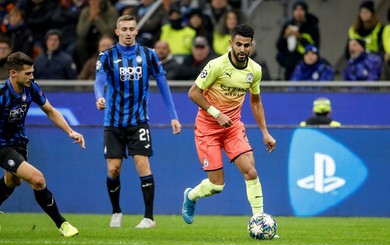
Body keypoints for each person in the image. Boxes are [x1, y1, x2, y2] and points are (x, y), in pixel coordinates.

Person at [181, 24, 276, 226]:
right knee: (217, 185)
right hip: (208, 128)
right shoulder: (217, 65)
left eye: (246, 45)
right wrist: (216, 113)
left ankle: (259, 221)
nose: (242, 49)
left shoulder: (255, 70)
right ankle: (191, 196)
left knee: (250, 170)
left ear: (252, 46)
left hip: (232, 127)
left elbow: (256, 102)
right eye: (239, 44)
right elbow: (193, 93)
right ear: (231, 43)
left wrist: (265, 133)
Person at [94, 15, 181, 228]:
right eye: (124, 29)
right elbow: (99, 82)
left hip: (138, 121)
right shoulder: (106, 56)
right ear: (117, 32)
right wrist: (99, 96)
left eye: (132, 29)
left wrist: (173, 116)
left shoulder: (149, 55)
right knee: (113, 169)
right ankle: (116, 212)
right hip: (113, 121)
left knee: (142, 164)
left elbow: (163, 85)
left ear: (136, 31)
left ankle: (149, 218)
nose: (128, 33)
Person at [0, 51, 85, 237]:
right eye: (28, 73)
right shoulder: (2, 94)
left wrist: (70, 131)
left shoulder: (31, 88)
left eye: (32, 72)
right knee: (37, 179)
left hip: (20, 142)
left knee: (13, 181)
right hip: (2, 145)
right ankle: (63, 225)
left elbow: (50, 111)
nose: (32, 76)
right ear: (13, 73)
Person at [276, 1, 320, 80]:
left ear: (305, 11)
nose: (298, 13)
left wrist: (298, 36)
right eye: (296, 10)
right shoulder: (288, 25)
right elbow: (279, 46)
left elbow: (315, 46)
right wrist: (285, 36)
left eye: (301, 10)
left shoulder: (312, 26)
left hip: (307, 66)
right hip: (290, 65)